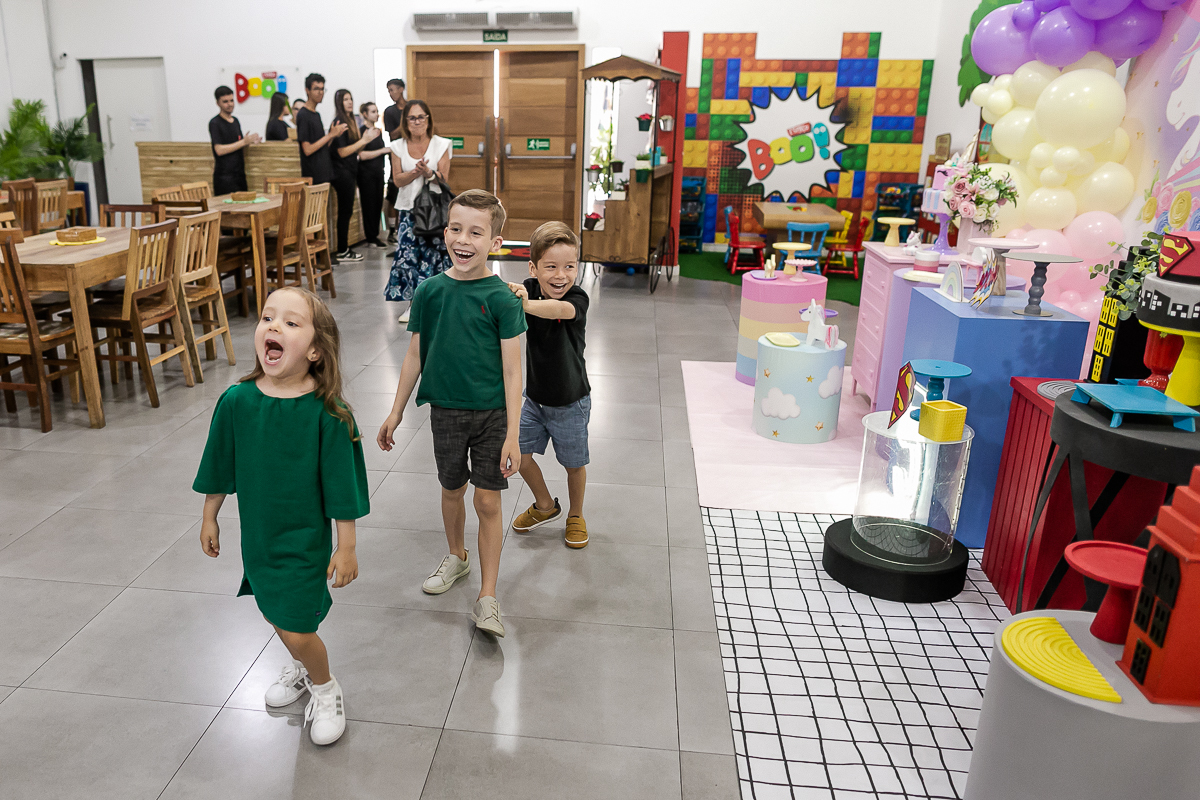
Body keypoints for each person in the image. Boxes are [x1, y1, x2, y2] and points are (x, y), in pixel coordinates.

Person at [194, 286, 370, 746]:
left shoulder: (330, 414)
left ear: (315, 350)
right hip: (259, 537)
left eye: (291, 323)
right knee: (277, 613)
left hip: (302, 540)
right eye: (268, 318)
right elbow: (220, 463)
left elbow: (342, 488)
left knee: (295, 622)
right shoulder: (236, 402)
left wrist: (346, 545)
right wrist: (210, 515)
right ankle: (300, 667)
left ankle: (325, 686)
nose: (274, 326)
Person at [376, 190, 525, 638]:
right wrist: (396, 410)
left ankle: (488, 596)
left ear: (494, 242)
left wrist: (513, 435)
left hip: (493, 415)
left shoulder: (503, 299)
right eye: (456, 229)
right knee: (451, 489)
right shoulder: (429, 292)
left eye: (476, 232)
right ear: (445, 234)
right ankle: (458, 557)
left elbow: (514, 372)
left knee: (487, 500)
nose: (464, 240)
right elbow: (414, 354)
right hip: (444, 411)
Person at [507, 222, 591, 548]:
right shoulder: (529, 286)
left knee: (573, 465)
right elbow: (506, 295)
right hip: (535, 400)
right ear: (534, 268)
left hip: (571, 401)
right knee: (519, 456)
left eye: (569, 267)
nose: (560, 276)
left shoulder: (577, 298)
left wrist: (525, 304)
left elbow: (560, 309)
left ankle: (576, 515)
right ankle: (545, 505)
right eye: (551, 267)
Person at [384, 100, 452, 322]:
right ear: (405, 121)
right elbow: (397, 179)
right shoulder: (397, 146)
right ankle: (413, 305)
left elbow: (444, 177)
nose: (417, 122)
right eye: (412, 118)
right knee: (409, 257)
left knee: (435, 257)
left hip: (434, 211)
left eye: (421, 117)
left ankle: (437, 305)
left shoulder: (441, 144)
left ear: (428, 119)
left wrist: (429, 173)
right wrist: (416, 172)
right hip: (408, 212)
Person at [295, 74, 347, 263]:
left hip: (324, 172)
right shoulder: (303, 115)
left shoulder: (316, 115)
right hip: (313, 174)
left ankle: (322, 255)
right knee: (313, 219)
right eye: (316, 88)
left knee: (321, 218)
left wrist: (334, 135)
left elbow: (320, 146)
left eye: (322, 88)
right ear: (307, 90)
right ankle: (314, 258)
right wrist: (330, 135)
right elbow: (307, 149)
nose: (320, 92)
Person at [328, 89, 379, 262]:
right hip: (341, 173)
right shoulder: (339, 122)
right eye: (345, 99)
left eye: (350, 99)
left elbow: (354, 150)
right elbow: (342, 152)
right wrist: (364, 140)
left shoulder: (351, 121)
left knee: (347, 210)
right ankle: (342, 249)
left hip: (350, 171)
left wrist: (364, 139)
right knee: (345, 211)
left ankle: (344, 248)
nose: (349, 102)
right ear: (339, 102)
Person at [209, 85, 259, 195]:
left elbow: (239, 144)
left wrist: (250, 142)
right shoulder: (215, 123)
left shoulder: (235, 121)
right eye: (225, 101)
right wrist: (243, 142)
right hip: (225, 177)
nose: (230, 104)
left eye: (231, 100)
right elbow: (219, 150)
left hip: (239, 175)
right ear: (218, 103)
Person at [356, 101, 389, 248]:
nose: (376, 114)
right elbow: (361, 154)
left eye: (377, 111)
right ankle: (370, 237)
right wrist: (382, 151)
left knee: (377, 204)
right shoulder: (362, 131)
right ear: (365, 114)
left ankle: (375, 235)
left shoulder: (378, 131)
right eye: (373, 112)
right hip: (366, 173)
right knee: (368, 205)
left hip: (378, 172)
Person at [382, 78, 406, 246]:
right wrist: (406, 122)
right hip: (397, 156)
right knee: (393, 195)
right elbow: (393, 135)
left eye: (393, 89)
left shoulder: (413, 107)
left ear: (401, 89)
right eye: (389, 90)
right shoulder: (389, 112)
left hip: (413, 156)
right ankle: (392, 230)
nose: (391, 93)